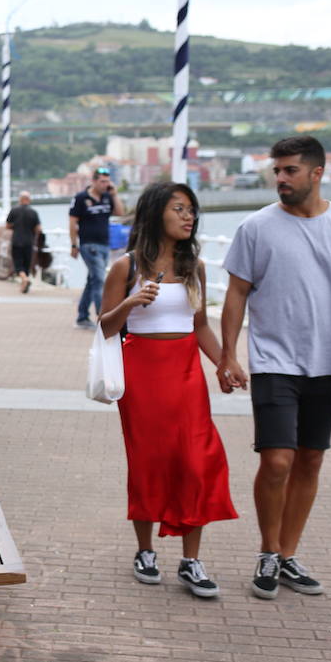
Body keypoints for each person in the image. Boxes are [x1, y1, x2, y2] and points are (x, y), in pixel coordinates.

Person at [217, 136, 331, 600]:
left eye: (289, 170)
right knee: (276, 460)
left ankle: (288, 555)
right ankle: (268, 551)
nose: (280, 180)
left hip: (329, 362)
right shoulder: (256, 227)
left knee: (310, 458)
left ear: (317, 173)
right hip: (274, 361)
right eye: (277, 171)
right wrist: (229, 354)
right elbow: (236, 293)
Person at [98, 182, 237, 598]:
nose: (188, 217)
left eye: (191, 210)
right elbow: (105, 327)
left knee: (196, 462)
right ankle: (145, 550)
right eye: (179, 209)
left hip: (186, 376)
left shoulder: (195, 267)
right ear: (157, 212)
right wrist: (130, 304)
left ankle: (191, 561)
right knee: (149, 462)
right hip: (142, 376)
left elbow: (200, 328)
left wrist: (225, 362)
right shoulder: (126, 267)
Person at [70, 167, 123, 329]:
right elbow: (72, 223)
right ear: (93, 181)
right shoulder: (81, 198)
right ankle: (103, 319)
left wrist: (114, 194)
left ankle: (82, 316)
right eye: (102, 181)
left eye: (107, 181)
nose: (105, 184)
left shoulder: (108, 197)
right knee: (100, 280)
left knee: (92, 281)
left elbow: (120, 212)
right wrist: (74, 244)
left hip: (104, 244)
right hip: (88, 244)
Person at [5, 190, 42, 294]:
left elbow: (7, 226)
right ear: (29, 200)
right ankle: (25, 281)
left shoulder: (14, 210)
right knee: (26, 263)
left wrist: (15, 227)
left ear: (20, 200)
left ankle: (24, 280)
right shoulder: (33, 212)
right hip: (29, 241)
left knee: (18, 263)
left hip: (16, 240)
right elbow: (38, 229)